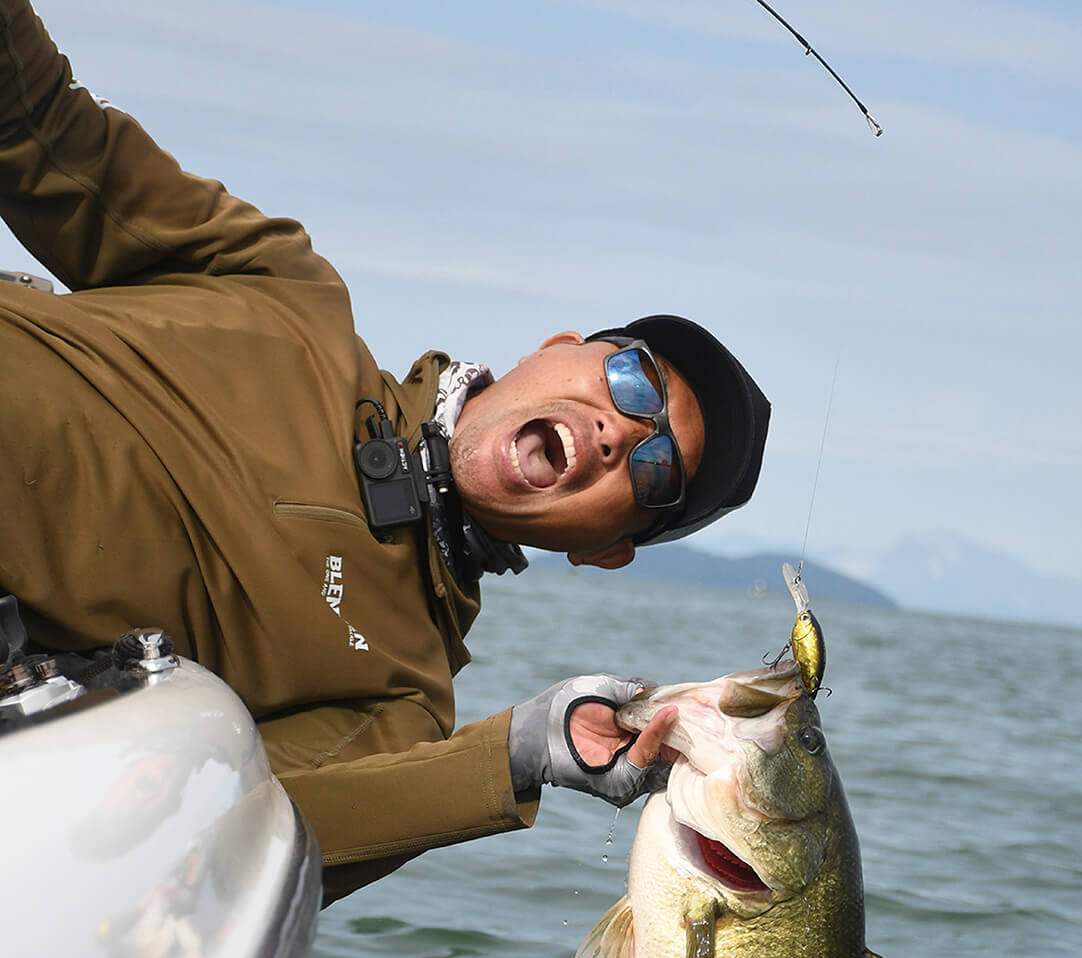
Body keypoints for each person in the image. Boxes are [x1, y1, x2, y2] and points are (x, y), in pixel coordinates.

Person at [0, 0, 770, 904]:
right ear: (559, 347)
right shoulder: (286, 287)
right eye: (634, 382)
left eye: (654, 470)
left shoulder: (402, 706)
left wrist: (520, 753)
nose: (617, 432)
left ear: (604, 550)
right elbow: (39, 133)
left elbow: (228, 842)